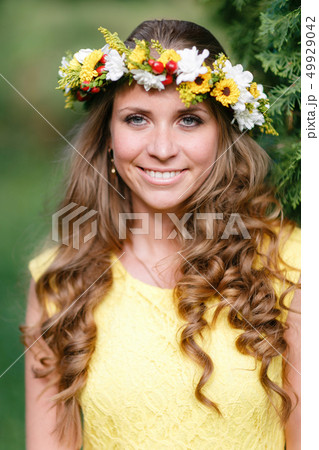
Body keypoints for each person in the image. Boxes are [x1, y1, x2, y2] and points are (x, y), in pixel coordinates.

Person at [21, 19, 301, 449]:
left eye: (189, 120)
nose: (163, 148)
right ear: (109, 137)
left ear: (223, 134)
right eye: (137, 119)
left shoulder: (291, 266)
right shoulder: (60, 284)